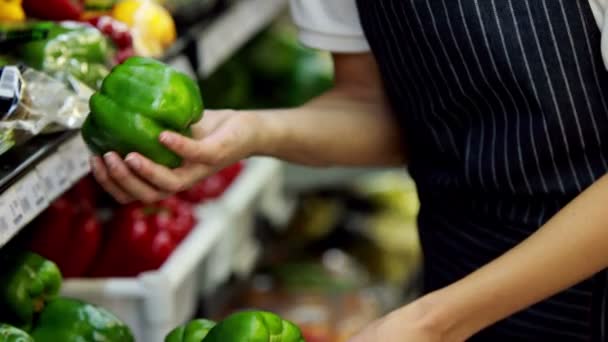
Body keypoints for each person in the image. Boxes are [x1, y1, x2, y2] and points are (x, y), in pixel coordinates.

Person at [91, 0, 608, 340]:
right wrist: (251, 133)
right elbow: (376, 109)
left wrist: (433, 322)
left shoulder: (435, 320)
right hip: (464, 272)